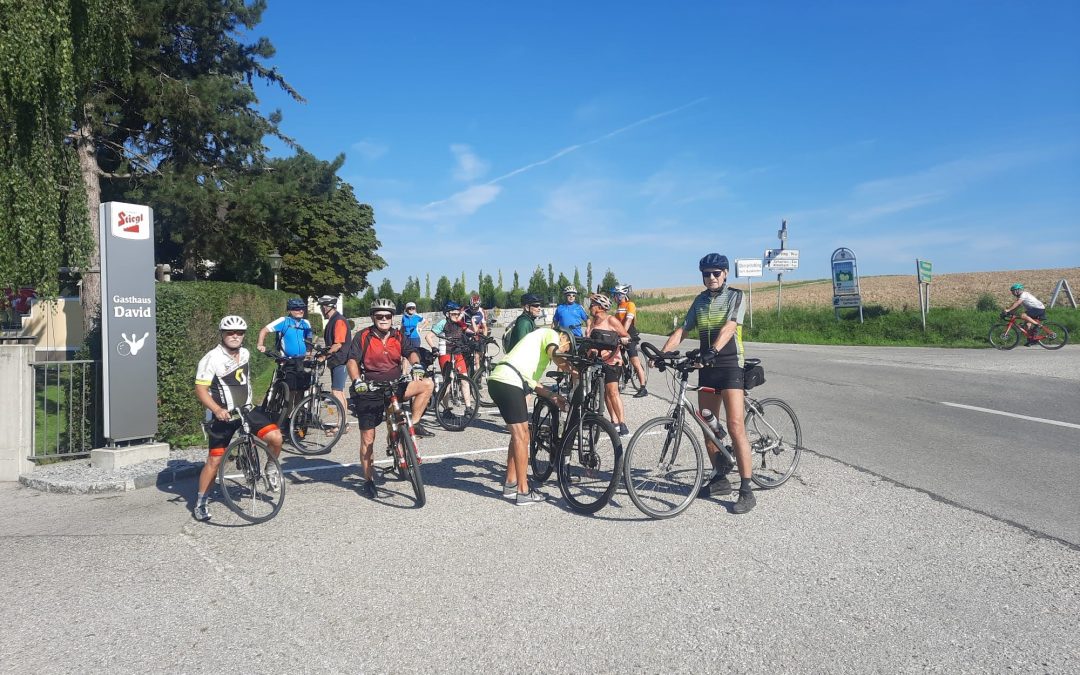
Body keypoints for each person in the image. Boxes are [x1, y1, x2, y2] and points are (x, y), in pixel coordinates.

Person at [657, 253, 756, 514]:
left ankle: (746, 490)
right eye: (706, 274)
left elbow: (730, 327)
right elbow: (683, 330)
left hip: (730, 365)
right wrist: (663, 353)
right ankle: (719, 479)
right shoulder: (699, 301)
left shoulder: (735, 296)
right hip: (707, 368)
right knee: (706, 422)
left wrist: (712, 350)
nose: (711, 278)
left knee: (735, 426)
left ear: (725, 274)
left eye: (716, 273)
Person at [192, 315, 284, 522]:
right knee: (215, 460)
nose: (234, 336)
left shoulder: (245, 353)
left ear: (244, 335)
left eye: (239, 333)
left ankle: (270, 468)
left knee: (276, 438)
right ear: (222, 334)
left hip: (246, 410)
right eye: (229, 332)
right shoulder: (211, 358)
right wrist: (216, 410)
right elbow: (200, 389)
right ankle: (200, 502)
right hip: (223, 414)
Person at [347, 299, 435, 499]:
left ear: (392, 317)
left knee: (427, 384)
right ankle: (368, 480)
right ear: (373, 317)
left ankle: (414, 423)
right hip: (370, 389)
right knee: (368, 439)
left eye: (387, 316)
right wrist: (356, 380)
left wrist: (417, 365)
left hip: (395, 386)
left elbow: (411, 352)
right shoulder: (363, 336)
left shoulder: (398, 335)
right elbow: (352, 360)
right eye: (379, 316)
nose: (384, 319)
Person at [488, 327, 573, 505]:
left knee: (517, 435)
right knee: (522, 436)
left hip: (502, 380)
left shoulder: (534, 348)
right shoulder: (551, 335)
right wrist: (572, 370)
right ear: (564, 338)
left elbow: (532, 383)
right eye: (568, 349)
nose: (566, 353)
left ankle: (511, 484)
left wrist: (552, 396)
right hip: (509, 381)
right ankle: (523, 492)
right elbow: (554, 352)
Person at [585, 293, 632, 436]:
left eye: (592, 305)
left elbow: (626, 336)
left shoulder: (611, 320)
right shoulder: (592, 322)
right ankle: (613, 422)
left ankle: (622, 423)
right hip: (596, 361)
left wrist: (623, 340)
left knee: (613, 392)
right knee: (605, 393)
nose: (590, 307)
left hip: (612, 360)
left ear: (599, 307)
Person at [316, 295, 351, 430]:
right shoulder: (334, 320)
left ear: (327, 307)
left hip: (340, 360)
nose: (321, 309)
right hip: (338, 361)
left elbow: (337, 344)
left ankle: (341, 424)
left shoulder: (339, 321)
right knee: (339, 392)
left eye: (321, 307)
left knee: (336, 392)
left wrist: (324, 356)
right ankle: (344, 423)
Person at [613, 284, 649, 398]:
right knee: (616, 357)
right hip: (621, 335)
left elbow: (628, 321)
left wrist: (623, 334)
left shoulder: (630, 305)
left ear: (620, 295)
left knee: (635, 362)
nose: (613, 297)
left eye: (615, 294)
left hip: (630, 335)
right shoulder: (619, 306)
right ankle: (625, 372)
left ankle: (643, 388)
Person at [427, 301, 469, 376]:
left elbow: (471, 332)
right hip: (445, 353)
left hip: (458, 353)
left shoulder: (460, 323)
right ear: (447, 314)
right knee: (448, 380)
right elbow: (428, 336)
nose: (456, 316)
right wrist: (433, 347)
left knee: (465, 380)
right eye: (454, 314)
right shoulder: (443, 323)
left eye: (458, 314)